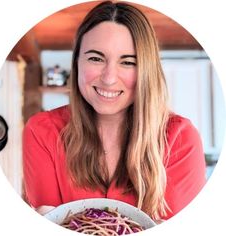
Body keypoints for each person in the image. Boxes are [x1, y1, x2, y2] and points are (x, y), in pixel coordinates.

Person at [23, 1, 206, 221]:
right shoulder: (42, 131)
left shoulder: (181, 139)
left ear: (146, 71)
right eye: (96, 58)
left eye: (128, 62)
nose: (109, 78)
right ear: (77, 62)